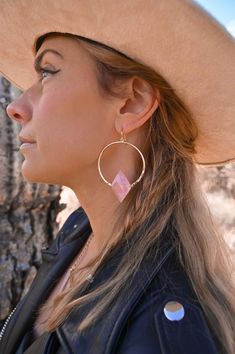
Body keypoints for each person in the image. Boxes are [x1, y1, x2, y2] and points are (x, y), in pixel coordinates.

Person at [0, 0, 235, 353]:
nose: (16, 107)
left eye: (47, 72)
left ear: (132, 104)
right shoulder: (78, 233)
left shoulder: (165, 330)